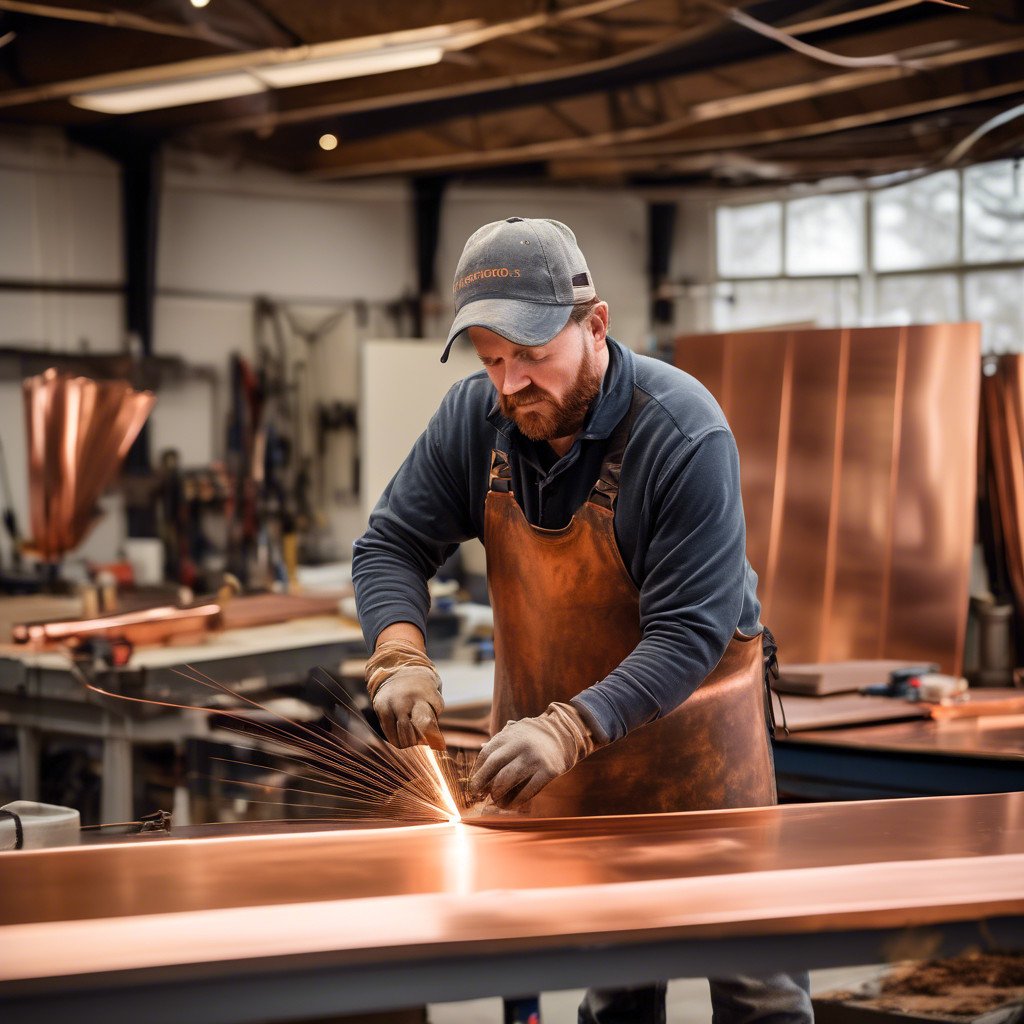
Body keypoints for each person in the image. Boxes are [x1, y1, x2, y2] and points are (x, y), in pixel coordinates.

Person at [353, 216, 813, 1024]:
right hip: (575, 772)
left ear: (595, 325)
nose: (510, 384)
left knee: (757, 992)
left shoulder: (682, 431)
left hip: (700, 768)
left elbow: (688, 633)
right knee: (616, 987)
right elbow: (390, 543)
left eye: (531, 355)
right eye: (492, 359)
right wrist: (398, 651)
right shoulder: (475, 422)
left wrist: (569, 727)